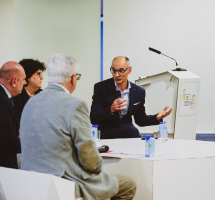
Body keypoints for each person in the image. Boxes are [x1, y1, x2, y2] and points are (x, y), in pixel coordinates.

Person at [20, 53, 136, 200]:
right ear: (73, 78)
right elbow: (90, 160)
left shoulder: (31, 103)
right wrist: (98, 166)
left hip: (31, 181)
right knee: (128, 184)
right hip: (64, 181)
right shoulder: (75, 105)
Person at [90, 56, 172, 139]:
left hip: (128, 134)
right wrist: (110, 109)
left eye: (121, 71)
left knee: (132, 132)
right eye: (114, 71)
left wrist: (156, 117)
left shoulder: (139, 91)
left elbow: (140, 120)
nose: (117, 75)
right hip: (107, 133)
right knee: (132, 131)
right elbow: (93, 118)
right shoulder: (101, 88)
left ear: (129, 70)